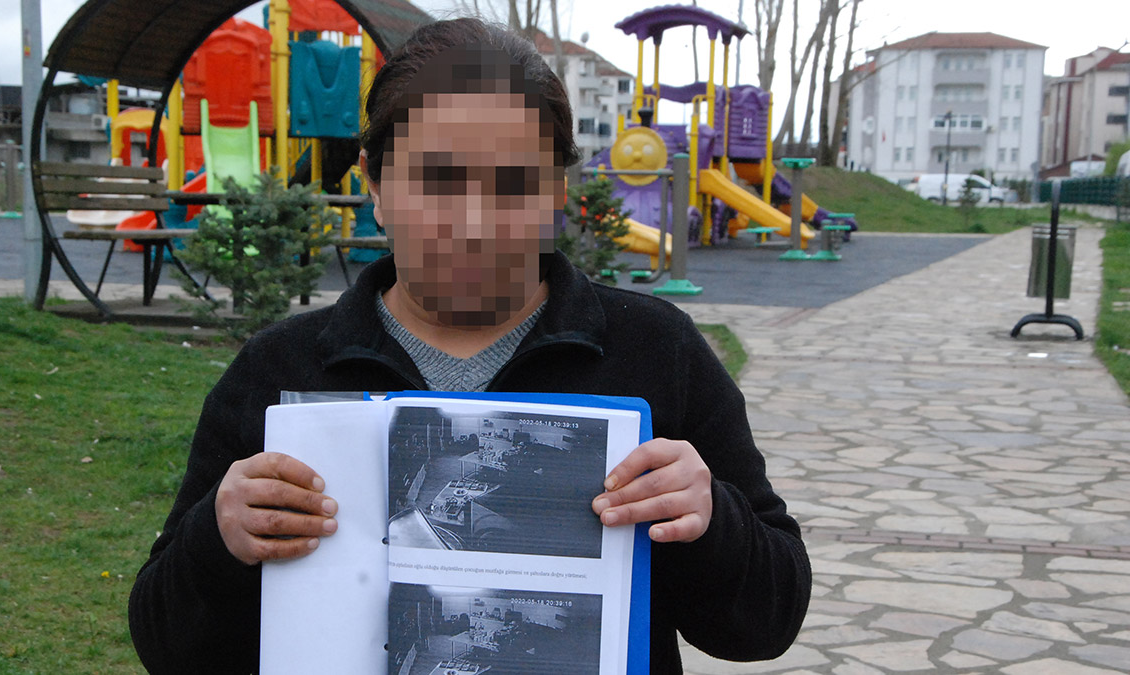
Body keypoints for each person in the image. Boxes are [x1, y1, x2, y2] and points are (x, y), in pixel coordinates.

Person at [129, 17, 810, 674]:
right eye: (437, 178)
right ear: (374, 183)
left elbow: (767, 623)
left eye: (515, 181)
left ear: (557, 189)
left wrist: (712, 520)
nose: (476, 221)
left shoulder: (655, 350)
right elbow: (168, 647)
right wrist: (217, 541)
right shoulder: (280, 368)